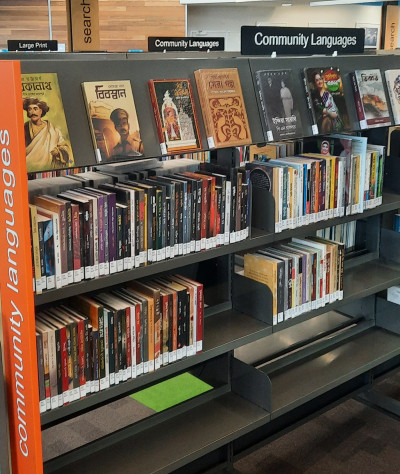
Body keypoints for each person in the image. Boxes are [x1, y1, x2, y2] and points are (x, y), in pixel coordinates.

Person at [23, 97, 73, 172]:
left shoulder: (54, 131)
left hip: (48, 168)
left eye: (35, 109)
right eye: (30, 109)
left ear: (41, 111)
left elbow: (65, 147)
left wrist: (58, 151)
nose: (32, 112)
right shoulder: (23, 128)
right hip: (28, 168)